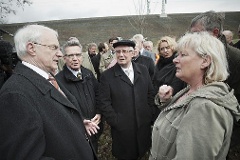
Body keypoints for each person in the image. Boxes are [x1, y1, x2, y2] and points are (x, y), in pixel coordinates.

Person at [0, 24, 99, 159]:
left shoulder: (47, 78)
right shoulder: (15, 95)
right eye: (54, 47)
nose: (59, 53)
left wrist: (77, 122)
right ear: (31, 48)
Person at [149, 31, 240, 160]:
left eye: (183, 55)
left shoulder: (205, 108)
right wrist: (167, 101)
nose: (175, 59)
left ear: (205, 61)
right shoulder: (190, 90)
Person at [189, 11, 240, 159]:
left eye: (197, 34)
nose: (193, 39)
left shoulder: (235, 60)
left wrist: (228, 143)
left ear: (215, 32)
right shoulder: (197, 55)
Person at [97, 40, 156, 160]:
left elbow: (150, 93)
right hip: (122, 131)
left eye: (124, 51)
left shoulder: (143, 70)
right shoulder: (107, 76)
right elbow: (104, 102)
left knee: (143, 153)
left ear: (133, 53)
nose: (121, 55)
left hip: (143, 126)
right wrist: (116, 121)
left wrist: (149, 114)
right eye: (117, 52)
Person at [55, 37, 102, 153]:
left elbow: (98, 94)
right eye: (70, 56)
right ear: (64, 58)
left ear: (82, 56)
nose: (75, 59)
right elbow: (60, 110)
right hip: (76, 132)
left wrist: (99, 112)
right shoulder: (58, 81)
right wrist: (81, 121)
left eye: (78, 55)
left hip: (94, 128)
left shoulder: (88, 74)